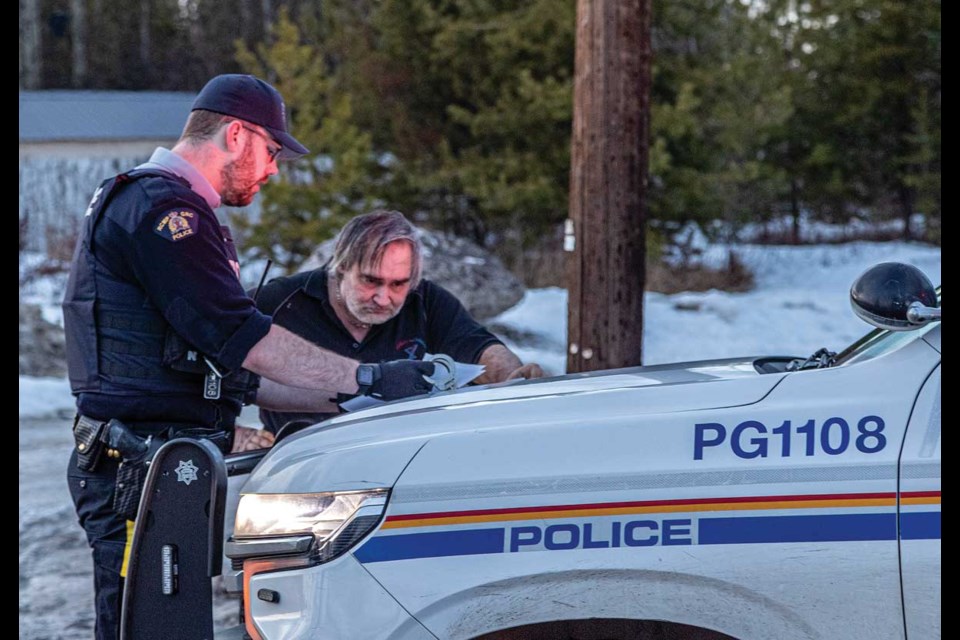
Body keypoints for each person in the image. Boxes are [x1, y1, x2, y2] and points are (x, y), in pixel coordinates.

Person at [61, 74, 434, 640]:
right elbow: (244, 336)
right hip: (138, 469)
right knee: (151, 628)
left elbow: (234, 373)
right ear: (236, 134)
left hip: (163, 468)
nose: (274, 168)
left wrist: (362, 397)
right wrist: (367, 373)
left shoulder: (172, 211)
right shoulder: (164, 213)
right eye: (271, 150)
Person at [255, 209, 544, 433]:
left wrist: (512, 376)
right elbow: (219, 357)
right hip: (298, 454)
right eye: (370, 281)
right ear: (341, 267)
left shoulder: (425, 301)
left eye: (398, 285)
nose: (383, 298)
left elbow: (477, 347)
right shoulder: (282, 300)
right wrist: (237, 433)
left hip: (393, 451)